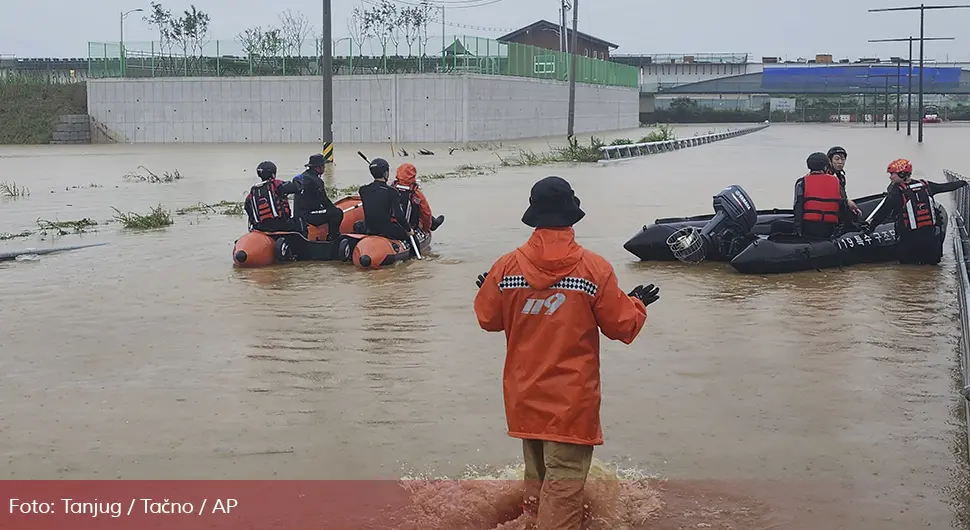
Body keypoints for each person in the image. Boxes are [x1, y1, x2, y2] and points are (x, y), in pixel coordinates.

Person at [472, 176, 660, 530]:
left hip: (524, 396)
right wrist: (637, 304)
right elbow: (622, 327)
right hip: (571, 403)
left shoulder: (506, 268)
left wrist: (489, 287)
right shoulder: (594, 269)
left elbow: (488, 318)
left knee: (538, 482)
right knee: (565, 489)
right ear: (572, 215)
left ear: (534, 215)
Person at [865, 158, 967, 265]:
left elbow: (883, 213)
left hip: (909, 241)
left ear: (901, 174)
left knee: (907, 271)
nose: (890, 177)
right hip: (930, 239)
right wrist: (963, 182)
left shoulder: (896, 192)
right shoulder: (925, 185)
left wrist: (870, 228)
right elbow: (945, 187)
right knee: (930, 270)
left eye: (892, 174)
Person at [794, 152, 851, 240]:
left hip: (808, 228)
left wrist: (798, 231)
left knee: (777, 224)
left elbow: (798, 207)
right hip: (829, 228)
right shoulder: (836, 181)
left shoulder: (801, 182)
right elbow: (843, 205)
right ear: (825, 166)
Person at [358, 158, 412, 243]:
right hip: (386, 231)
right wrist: (408, 230)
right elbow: (399, 216)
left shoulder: (363, 190)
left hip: (368, 229)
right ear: (385, 173)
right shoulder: (392, 191)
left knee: (357, 225)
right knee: (412, 237)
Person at [244, 161, 304, 234]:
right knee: (300, 222)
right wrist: (298, 180)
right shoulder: (276, 184)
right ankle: (305, 244)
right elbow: (297, 188)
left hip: (261, 227)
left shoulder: (253, 191)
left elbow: (248, 208)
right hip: (281, 224)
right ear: (273, 174)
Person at [293, 153, 342, 241]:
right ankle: (333, 238)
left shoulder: (301, 177)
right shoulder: (316, 181)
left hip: (298, 214)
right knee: (337, 213)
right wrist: (333, 209)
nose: (324, 168)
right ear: (318, 167)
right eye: (323, 165)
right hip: (308, 215)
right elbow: (324, 200)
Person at [391, 163, 444, 233]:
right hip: (409, 227)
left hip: (390, 225)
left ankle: (433, 221)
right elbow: (426, 213)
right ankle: (433, 223)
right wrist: (426, 229)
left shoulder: (389, 189)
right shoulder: (416, 194)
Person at [827, 146, 860, 215]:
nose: (840, 162)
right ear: (829, 160)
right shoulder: (827, 176)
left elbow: (842, 195)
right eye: (837, 159)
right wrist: (847, 202)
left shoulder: (841, 177)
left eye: (843, 159)